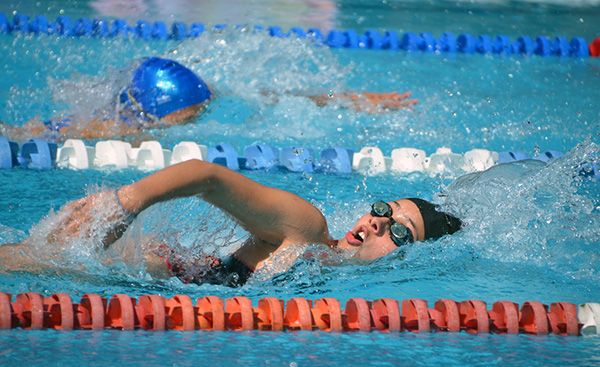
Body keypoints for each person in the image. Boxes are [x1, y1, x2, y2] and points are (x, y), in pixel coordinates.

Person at [0, 159, 462, 286]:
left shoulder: (334, 280)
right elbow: (208, 176)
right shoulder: (307, 229)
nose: (379, 224)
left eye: (400, 232)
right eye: (383, 210)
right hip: (136, 266)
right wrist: (120, 207)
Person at [0, 57, 418, 142]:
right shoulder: (107, 129)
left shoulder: (211, 99)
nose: (202, 114)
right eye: (193, 111)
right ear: (158, 112)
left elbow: (279, 97)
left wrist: (352, 98)